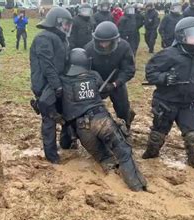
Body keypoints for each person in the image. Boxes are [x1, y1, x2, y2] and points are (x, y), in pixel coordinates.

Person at [143, 17, 194, 170]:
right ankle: (149, 159)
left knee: (193, 137)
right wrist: (165, 78)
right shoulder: (168, 55)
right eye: (192, 35)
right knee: (158, 135)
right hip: (166, 102)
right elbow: (150, 72)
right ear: (182, 36)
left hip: (188, 104)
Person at [60, 48, 147, 191]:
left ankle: (112, 182)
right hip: (101, 120)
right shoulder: (94, 75)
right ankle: (137, 187)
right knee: (124, 152)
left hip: (82, 129)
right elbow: (103, 92)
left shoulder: (63, 81)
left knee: (105, 159)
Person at [30, 7, 73, 164]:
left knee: (65, 113)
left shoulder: (60, 38)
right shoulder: (44, 38)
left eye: (69, 24)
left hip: (57, 84)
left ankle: (66, 144)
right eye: (66, 24)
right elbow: (47, 65)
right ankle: (52, 156)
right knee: (49, 119)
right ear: (57, 22)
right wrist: (57, 86)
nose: (68, 27)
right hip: (45, 85)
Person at [85, 21, 136, 130]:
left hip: (116, 82)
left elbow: (128, 69)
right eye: (100, 42)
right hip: (97, 84)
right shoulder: (89, 49)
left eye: (106, 42)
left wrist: (115, 84)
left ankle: (125, 126)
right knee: (90, 109)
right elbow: (86, 71)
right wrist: (96, 82)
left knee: (122, 108)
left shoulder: (124, 47)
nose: (103, 45)